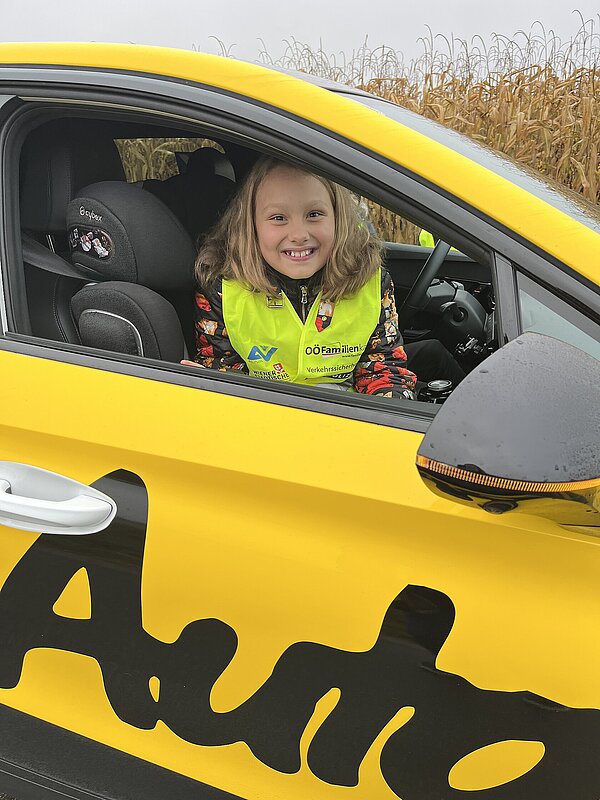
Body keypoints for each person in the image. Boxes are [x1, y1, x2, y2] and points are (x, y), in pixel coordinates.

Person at [183, 157, 463, 397]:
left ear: (338, 219)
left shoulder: (370, 281)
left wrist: (387, 418)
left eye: (314, 214)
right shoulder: (223, 289)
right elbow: (225, 376)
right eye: (278, 218)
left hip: (350, 419)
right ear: (251, 225)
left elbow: (383, 369)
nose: (298, 234)